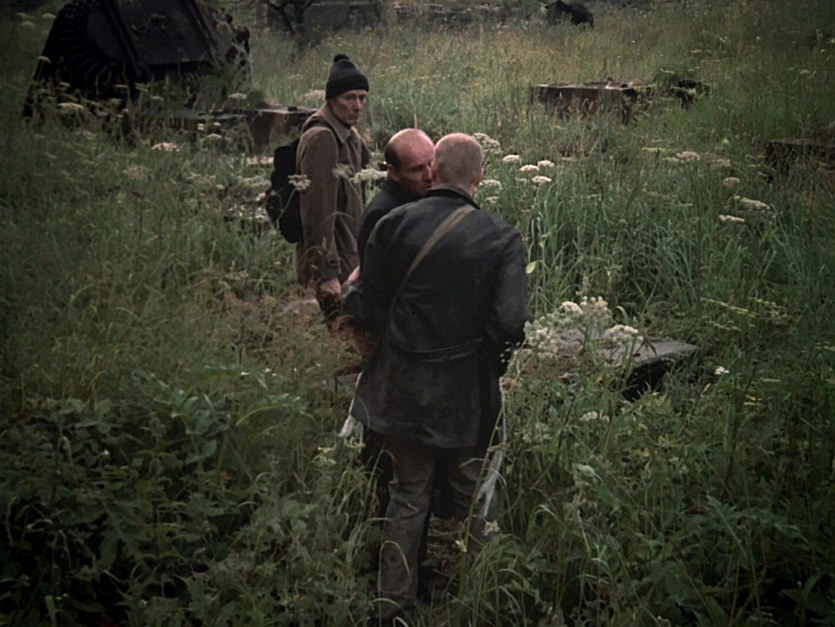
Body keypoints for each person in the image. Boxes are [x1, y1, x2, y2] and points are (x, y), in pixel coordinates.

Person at [344, 133, 529, 621]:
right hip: (466, 393)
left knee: (408, 494)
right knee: (475, 500)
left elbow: (368, 305)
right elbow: (511, 323)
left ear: (434, 171)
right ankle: (485, 601)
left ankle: (391, 605)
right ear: (481, 176)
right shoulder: (502, 239)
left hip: (401, 387)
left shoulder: (394, 224)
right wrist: (485, 360)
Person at [295, 54, 371, 317]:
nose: (357, 106)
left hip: (350, 257)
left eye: (362, 98)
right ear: (332, 99)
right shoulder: (322, 139)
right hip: (333, 265)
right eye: (349, 98)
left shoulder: (350, 136)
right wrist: (326, 274)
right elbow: (317, 212)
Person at [356, 128, 434, 264]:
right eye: (417, 169)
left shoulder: (422, 198)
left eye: (431, 164)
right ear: (394, 172)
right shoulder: (383, 214)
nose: (429, 175)